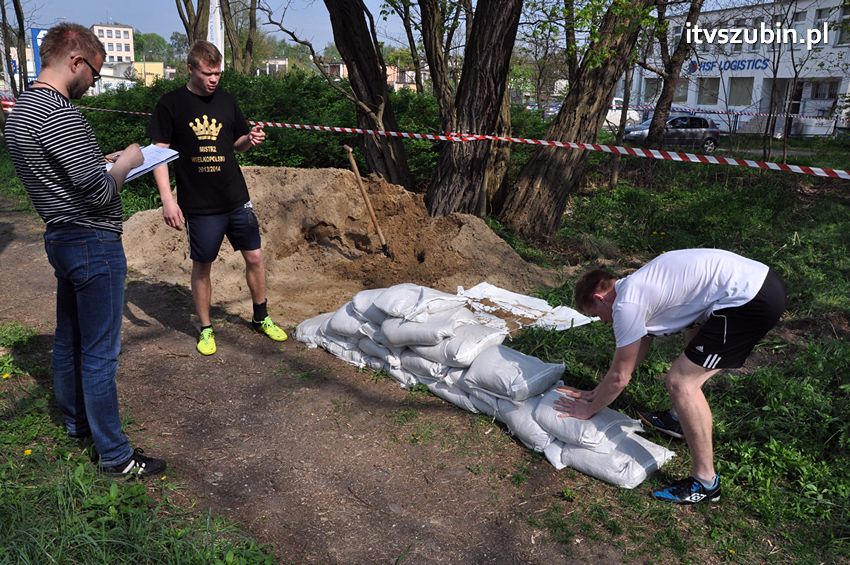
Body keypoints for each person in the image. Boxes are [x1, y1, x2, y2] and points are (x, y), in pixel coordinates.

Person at [5, 23, 166, 478]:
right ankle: (115, 456)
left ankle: (76, 424)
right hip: (93, 240)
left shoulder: (21, 111)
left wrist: (101, 161)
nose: (93, 82)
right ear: (75, 61)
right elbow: (97, 194)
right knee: (99, 353)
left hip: (59, 235)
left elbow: (63, 176)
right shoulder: (59, 113)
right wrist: (130, 161)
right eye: (93, 72)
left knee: (68, 339)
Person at [555, 249, 785, 504]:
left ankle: (706, 482)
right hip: (757, 282)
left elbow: (621, 377)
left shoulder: (627, 304)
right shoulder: (637, 285)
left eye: (596, 314)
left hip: (748, 300)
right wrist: (595, 393)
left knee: (681, 382)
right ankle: (678, 420)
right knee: (692, 353)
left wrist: (589, 410)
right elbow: (638, 345)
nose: (601, 321)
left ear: (600, 298)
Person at [148, 40, 287, 356]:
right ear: (191, 69)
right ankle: (206, 329)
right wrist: (168, 200)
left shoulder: (226, 100)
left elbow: (236, 143)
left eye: (218, 73)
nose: (214, 79)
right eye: (208, 73)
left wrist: (250, 140)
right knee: (203, 265)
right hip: (199, 204)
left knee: (255, 257)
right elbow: (158, 153)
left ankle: (261, 317)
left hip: (236, 197)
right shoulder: (171, 104)